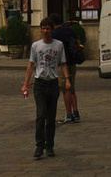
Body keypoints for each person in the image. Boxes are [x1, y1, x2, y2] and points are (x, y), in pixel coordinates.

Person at [21, 16, 70, 160]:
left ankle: (49, 146)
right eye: (43, 28)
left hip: (53, 83)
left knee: (51, 117)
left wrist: (67, 79)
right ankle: (39, 145)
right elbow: (31, 65)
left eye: (48, 28)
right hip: (40, 84)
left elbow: (63, 64)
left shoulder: (58, 45)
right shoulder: (36, 46)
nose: (45, 31)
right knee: (40, 115)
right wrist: (25, 84)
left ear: (52, 30)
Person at [50, 13, 80, 123]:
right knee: (72, 88)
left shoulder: (55, 34)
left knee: (65, 89)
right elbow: (78, 42)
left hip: (62, 64)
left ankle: (69, 114)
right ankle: (76, 111)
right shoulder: (70, 30)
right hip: (72, 62)